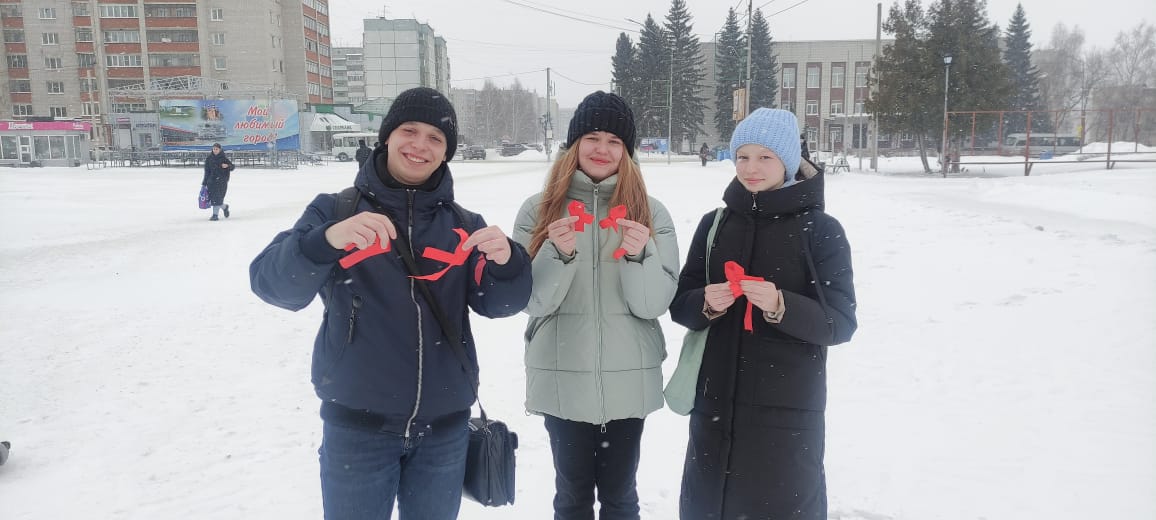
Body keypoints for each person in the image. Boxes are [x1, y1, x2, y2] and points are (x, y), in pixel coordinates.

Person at [249, 87, 532, 520]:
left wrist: (510, 264)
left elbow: (500, 305)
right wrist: (324, 242)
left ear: (446, 153)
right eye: (409, 130)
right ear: (387, 136)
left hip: (444, 433)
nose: (420, 145)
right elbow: (274, 286)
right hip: (357, 431)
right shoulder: (335, 210)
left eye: (435, 138)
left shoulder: (463, 225)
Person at [669, 108, 857, 519]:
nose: (751, 168)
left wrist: (779, 305)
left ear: (788, 161)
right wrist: (705, 302)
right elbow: (681, 306)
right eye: (743, 157)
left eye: (765, 157)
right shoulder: (713, 224)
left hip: (786, 418)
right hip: (714, 413)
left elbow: (840, 322)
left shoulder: (821, 230)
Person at [512, 91, 680, 520]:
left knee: (621, 497)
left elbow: (652, 304)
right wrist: (559, 253)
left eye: (614, 141)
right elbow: (531, 300)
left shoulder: (649, 213)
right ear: (573, 146)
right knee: (571, 498)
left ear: (627, 152)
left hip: (629, 381)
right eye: (592, 137)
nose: (602, 149)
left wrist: (639, 255)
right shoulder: (539, 210)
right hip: (562, 377)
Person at [202, 143, 234, 221]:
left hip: (222, 182)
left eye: (217, 149)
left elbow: (232, 167)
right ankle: (225, 207)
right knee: (214, 199)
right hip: (211, 182)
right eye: (214, 149)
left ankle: (215, 215)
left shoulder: (224, 158)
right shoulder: (209, 158)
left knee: (218, 199)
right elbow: (207, 171)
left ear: (220, 150)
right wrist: (204, 183)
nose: (215, 150)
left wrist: (227, 166)